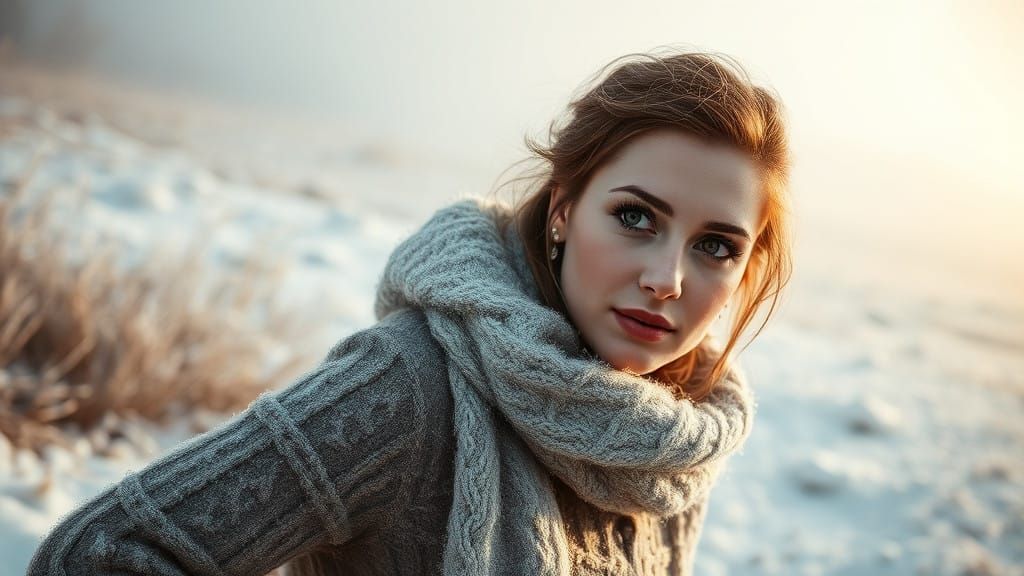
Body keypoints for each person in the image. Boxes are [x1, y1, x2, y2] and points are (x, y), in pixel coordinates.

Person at [27, 48, 791, 576]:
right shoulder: (408, 386)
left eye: (716, 247)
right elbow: (103, 553)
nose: (666, 278)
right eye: (635, 218)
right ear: (563, 209)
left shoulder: (674, 443)